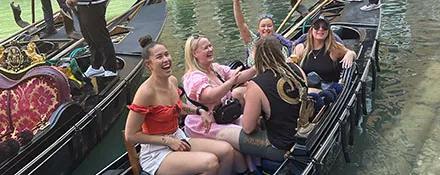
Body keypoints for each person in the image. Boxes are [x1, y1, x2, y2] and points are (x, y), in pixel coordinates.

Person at [124, 37, 236, 175]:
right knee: (210, 162)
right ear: (149, 65)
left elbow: (178, 107)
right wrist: (168, 141)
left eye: (166, 54)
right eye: (159, 57)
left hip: (178, 137)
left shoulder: (172, 81)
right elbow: (130, 135)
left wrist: (199, 111)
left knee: (227, 151)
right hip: (156, 151)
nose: (166, 59)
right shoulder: (145, 92)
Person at [182, 34, 256, 174]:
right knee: (246, 138)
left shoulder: (215, 68)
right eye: (205, 48)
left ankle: (253, 169)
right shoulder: (193, 78)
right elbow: (210, 96)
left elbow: (238, 76)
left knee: (253, 125)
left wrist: (257, 67)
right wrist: (230, 83)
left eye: (210, 45)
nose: (210, 49)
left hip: (223, 119)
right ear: (195, 54)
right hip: (204, 126)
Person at [238, 36, 307, 164]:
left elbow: (248, 128)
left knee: (223, 134)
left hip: (280, 146)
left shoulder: (255, 85)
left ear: (257, 57)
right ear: (281, 52)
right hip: (302, 135)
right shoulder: (297, 69)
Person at [293, 17, 356, 88]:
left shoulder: (335, 48)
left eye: (324, 27)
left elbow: (352, 53)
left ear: (328, 31)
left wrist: (350, 53)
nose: (320, 29)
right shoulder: (300, 48)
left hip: (328, 89)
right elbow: (292, 65)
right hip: (305, 88)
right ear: (311, 30)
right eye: (317, 26)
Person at [232, 0, 293, 66]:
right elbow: (241, 24)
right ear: (258, 29)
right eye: (263, 26)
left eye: (269, 26)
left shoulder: (282, 45)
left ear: (274, 29)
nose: (266, 29)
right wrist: (236, 2)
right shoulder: (253, 42)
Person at [66, 0, 118, 77]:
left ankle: (111, 68)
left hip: (93, 4)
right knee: (89, 38)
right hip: (82, 4)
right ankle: (96, 65)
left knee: (100, 37)